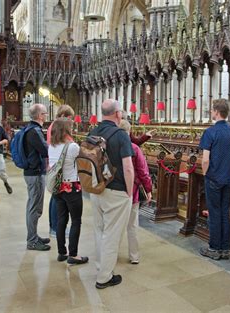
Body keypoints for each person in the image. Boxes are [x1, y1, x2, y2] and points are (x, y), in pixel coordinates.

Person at [89, 99, 134, 289]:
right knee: (112, 235)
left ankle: (102, 267)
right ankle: (104, 277)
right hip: (116, 191)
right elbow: (128, 168)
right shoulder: (121, 135)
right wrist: (130, 192)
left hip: (96, 189)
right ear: (117, 114)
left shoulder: (93, 132)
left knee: (100, 231)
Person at [198, 99, 230, 260]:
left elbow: (205, 159)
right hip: (229, 178)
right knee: (225, 212)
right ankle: (225, 249)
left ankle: (214, 248)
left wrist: (205, 173)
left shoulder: (210, 132)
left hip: (213, 177)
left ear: (217, 112)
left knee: (214, 212)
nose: (211, 113)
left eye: (212, 110)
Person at [48, 118, 88, 265]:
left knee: (61, 220)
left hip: (57, 188)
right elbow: (86, 159)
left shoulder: (51, 146)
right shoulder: (72, 147)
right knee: (76, 220)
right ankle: (74, 254)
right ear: (66, 130)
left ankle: (61, 252)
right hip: (71, 187)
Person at [119, 120, 152, 265]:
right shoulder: (134, 148)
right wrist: (149, 189)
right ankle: (134, 256)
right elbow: (143, 172)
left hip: (115, 192)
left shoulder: (109, 147)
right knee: (132, 225)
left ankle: (111, 255)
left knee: (115, 227)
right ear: (129, 132)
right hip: (132, 191)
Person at [23, 103, 51, 251]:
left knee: (34, 207)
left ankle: (33, 236)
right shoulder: (34, 131)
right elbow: (45, 150)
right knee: (34, 208)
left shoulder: (31, 129)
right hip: (34, 173)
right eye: (45, 113)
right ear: (40, 115)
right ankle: (32, 241)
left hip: (33, 172)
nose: (46, 116)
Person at [46, 105, 75, 238]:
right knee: (56, 200)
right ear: (63, 115)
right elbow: (67, 145)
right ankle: (55, 228)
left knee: (55, 199)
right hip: (59, 168)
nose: (71, 121)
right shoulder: (58, 127)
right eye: (69, 118)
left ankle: (55, 226)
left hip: (56, 166)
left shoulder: (55, 125)